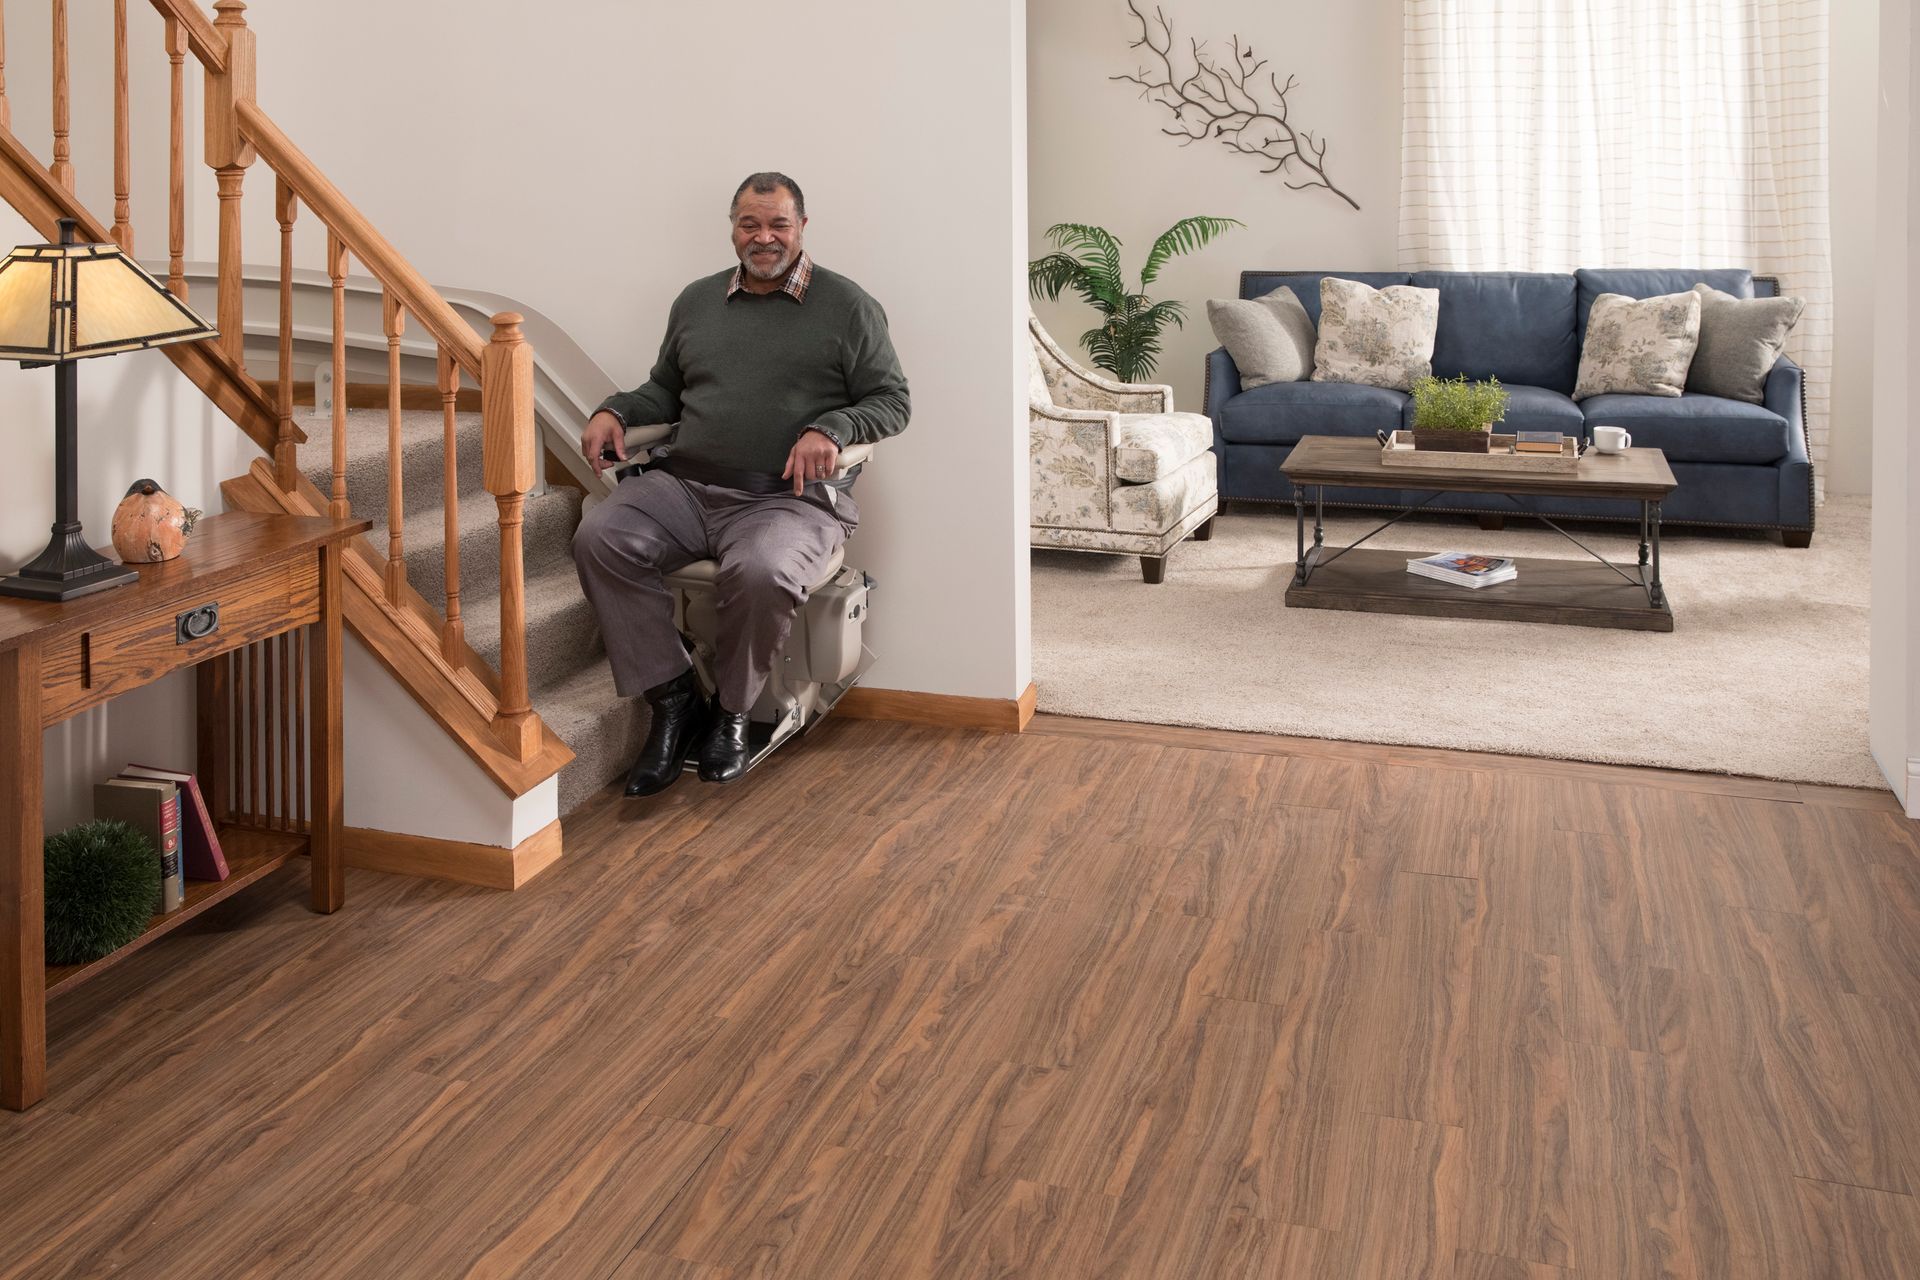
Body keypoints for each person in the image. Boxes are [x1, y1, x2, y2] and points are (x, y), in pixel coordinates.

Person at [572, 172, 910, 795]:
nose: (764, 237)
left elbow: (892, 401)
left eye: (778, 224)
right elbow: (663, 391)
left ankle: (730, 713)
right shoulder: (697, 301)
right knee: (600, 535)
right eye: (750, 224)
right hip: (686, 486)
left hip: (788, 499)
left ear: (802, 228)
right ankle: (673, 702)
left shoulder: (848, 306)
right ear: (733, 229)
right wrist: (615, 411)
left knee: (761, 571)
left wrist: (832, 428)